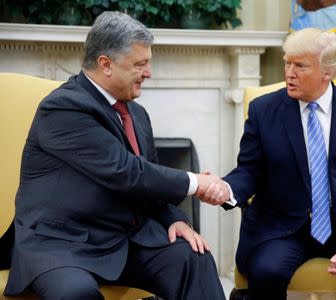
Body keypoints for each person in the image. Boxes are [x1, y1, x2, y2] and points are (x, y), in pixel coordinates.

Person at [4, 11, 226, 300]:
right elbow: (126, 171)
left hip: (123, 239)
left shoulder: (136, 113)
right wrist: (197, 182)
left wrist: (175, 219)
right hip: (62, 244)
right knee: (76, 295)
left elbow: (148, 179)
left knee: (193, 257)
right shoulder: (62, 108)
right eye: (140, 64)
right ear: (105, 65)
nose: (148, 73)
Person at [205, 28, 336, 300]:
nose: (289, 72)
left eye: (300, 65)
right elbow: (249, 170)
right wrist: (226, 189)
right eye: (287, 62)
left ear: (327, 72)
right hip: (284, 227)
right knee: (266, 273)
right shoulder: (264, 110)